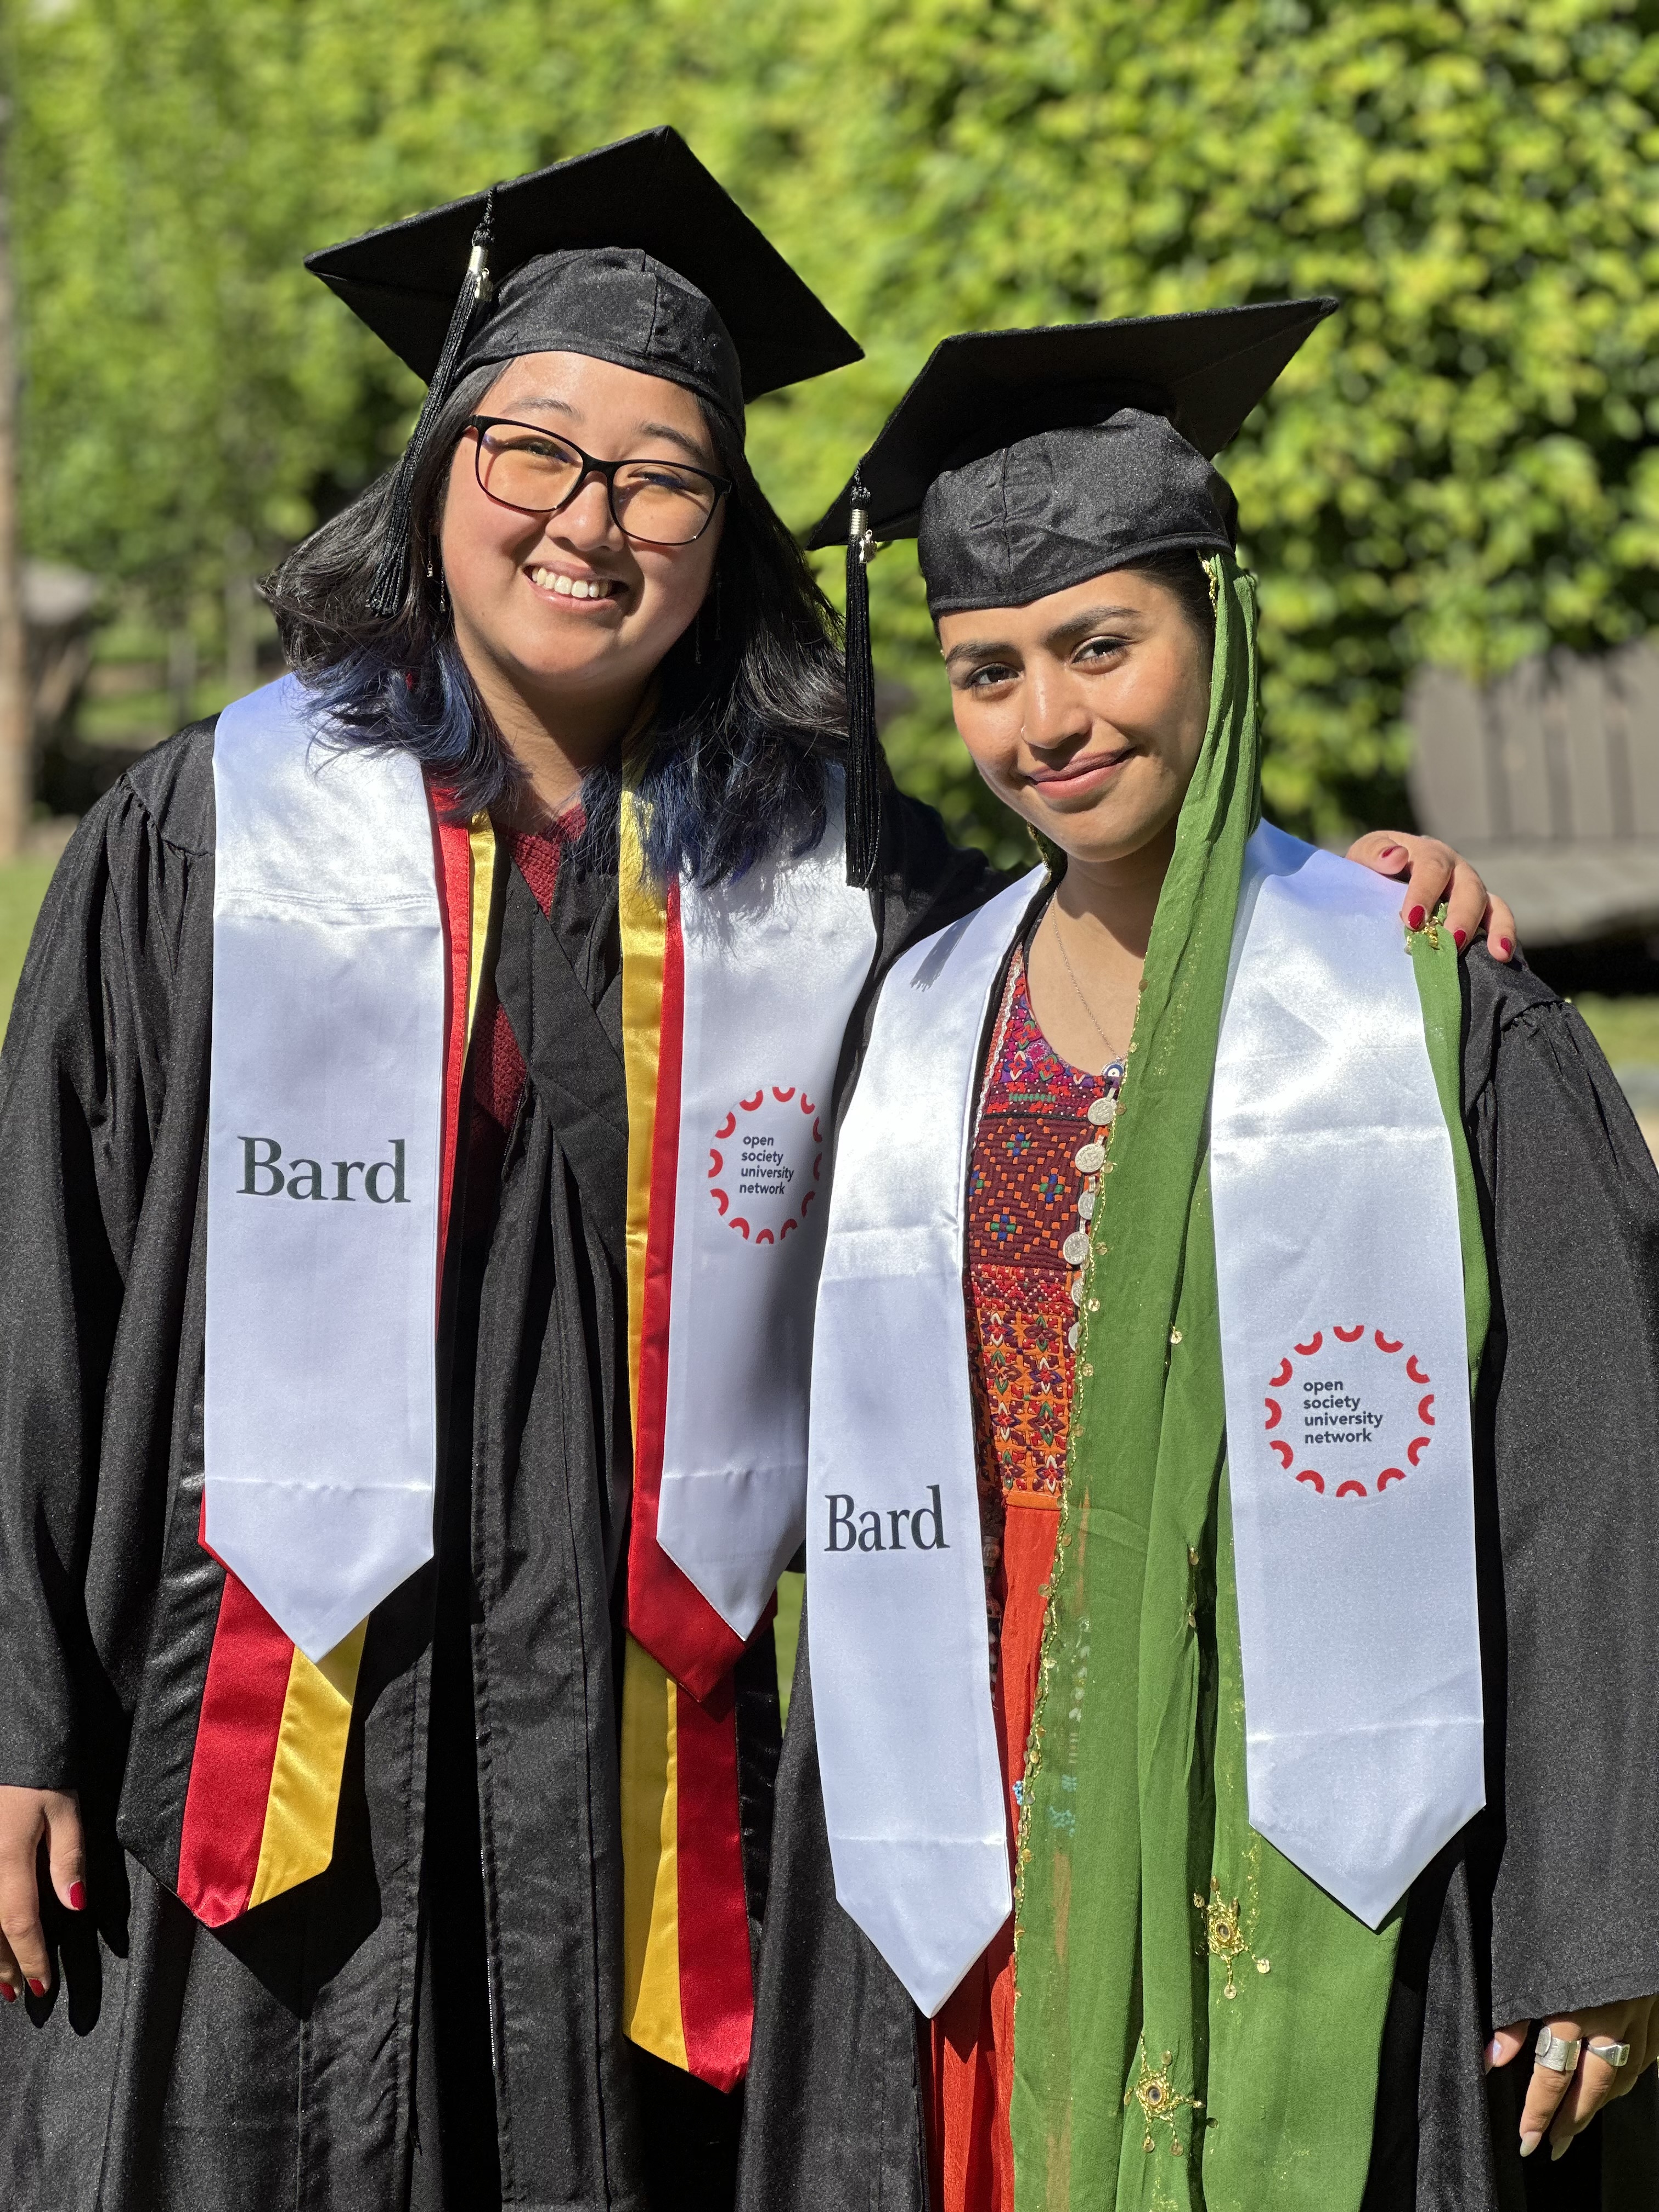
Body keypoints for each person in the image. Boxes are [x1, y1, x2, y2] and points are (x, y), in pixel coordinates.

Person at [0, 126, 1504, 2210]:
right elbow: (40, 1287)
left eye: (664, 476)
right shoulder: (205, 839)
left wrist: (1344, 898)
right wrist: (18, 1712)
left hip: (642, 1761)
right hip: (252, 1745)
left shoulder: (835, 872)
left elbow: (1100, 940)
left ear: (730, 534)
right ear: (437, 465)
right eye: (534, 452)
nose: (588, 522)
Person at [738, 304, 1659, 2212]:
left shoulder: (1426, 1013)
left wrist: (1608, 1904)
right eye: (984, 673)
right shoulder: (922, 1021)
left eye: (1098, 646)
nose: (1044, 726)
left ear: (1216, 630)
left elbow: (1593, 1479)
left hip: (1338, 1782)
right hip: (972, 1793)